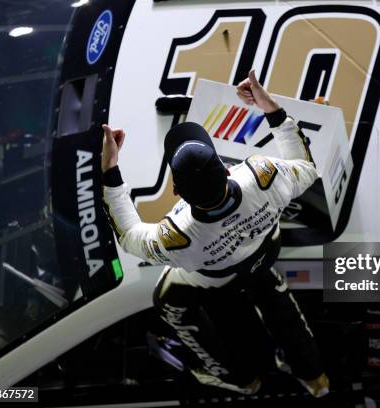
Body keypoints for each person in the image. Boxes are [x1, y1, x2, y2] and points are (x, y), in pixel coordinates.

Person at [101, 70, 329, 397]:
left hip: (216, 278)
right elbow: (305, 166)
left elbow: (129, 235)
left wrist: (110, 168)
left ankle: (240, 380)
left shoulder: (175, 236)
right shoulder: (261, 176)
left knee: (166, 299)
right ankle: (316, 380)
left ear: (177, 190)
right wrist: (270, 106)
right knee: (279, 302)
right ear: (225, 168)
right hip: (265, 255)